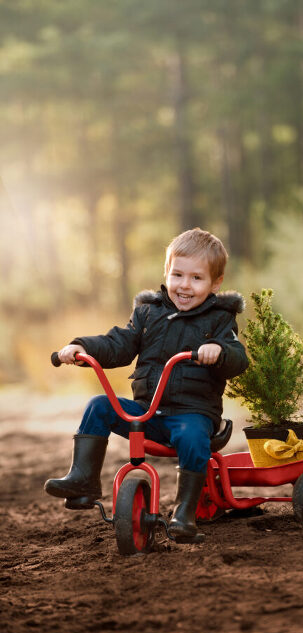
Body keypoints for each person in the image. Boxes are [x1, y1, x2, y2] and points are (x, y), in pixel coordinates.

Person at [44, 228, 248, 543]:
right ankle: (83, 480)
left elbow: (238, 357)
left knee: (193, 437)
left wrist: (219, 352)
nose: (184, 285)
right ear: (166, 273)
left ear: (215, 283)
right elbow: (119, 344)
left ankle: (184, 514)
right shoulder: (149, 313)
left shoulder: (219, 320)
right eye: (177, 274)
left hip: (192, 414)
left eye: (196, 278)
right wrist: (82, 347)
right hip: (148, 413)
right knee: (99, 406)